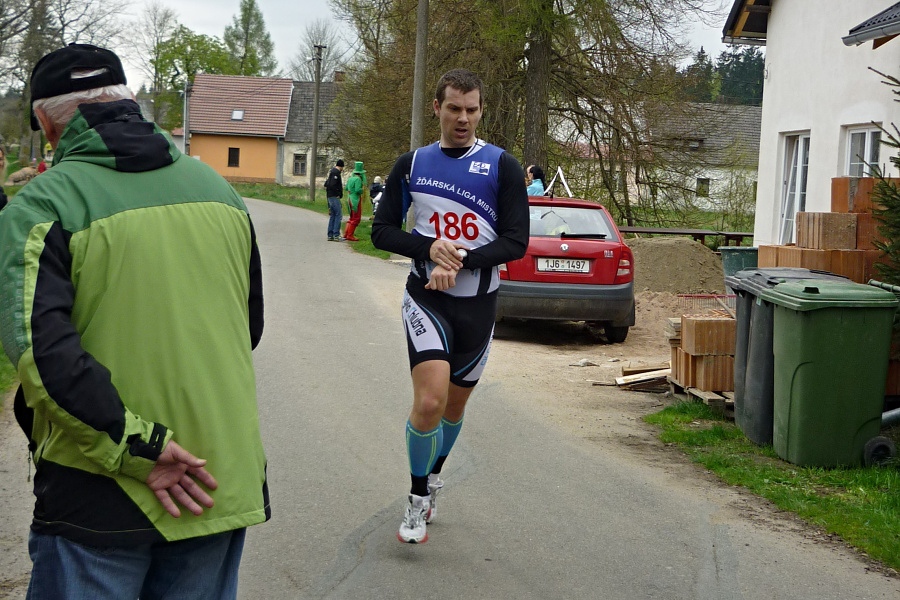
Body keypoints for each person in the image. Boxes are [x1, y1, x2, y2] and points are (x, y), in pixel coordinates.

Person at [0, 43, 269, 598]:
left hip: (101, 492)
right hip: (213, 478)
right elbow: (249, 327)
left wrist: (140, 448)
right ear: (128, 102)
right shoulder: (221, 192)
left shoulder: (41, 205)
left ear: (48, 124)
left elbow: (43, 358)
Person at [371, 68, 529, 544]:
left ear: (481, 111)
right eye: (454, 108)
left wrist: (459, 260)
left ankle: (435, 474)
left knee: (454, 409)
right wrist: (429, 247)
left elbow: (516, 241)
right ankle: (417, 497)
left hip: (478, 304)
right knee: (430, 400)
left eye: (472, 110)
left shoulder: (502, 165)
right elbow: (382, 232)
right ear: (437, 108)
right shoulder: (411, 164)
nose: (463, 118)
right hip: (426, 298)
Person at [343, 161, 366, 242]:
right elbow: (357, 190)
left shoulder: (350, 178)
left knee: (351, 217)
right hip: (355, 200)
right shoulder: (358, 179)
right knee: (356, 218)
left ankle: (346, 233)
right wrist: (362, 190)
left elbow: (346, 188)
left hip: (349, 198)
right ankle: (350, 235)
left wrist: (351, 190)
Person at [325, 158, 345, 241]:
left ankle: (330, 235)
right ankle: (336, 234)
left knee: (333, 215)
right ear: (341, 166)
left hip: (330, 196)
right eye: (342, 167)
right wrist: (337, 194)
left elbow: (326, 184)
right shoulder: (335, 173)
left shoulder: (331, 172)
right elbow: (332, 185)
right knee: (338, 215)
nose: (342, 169)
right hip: (334, 196)